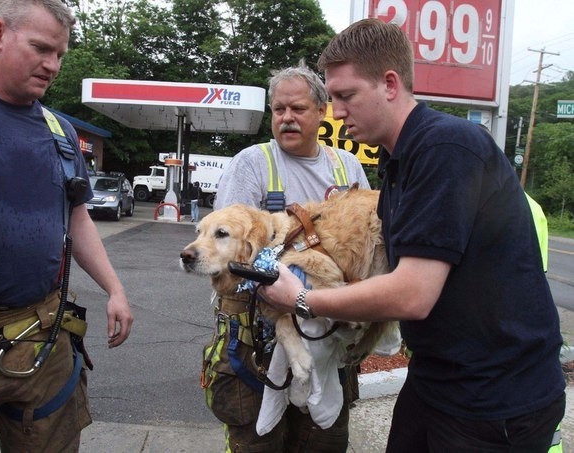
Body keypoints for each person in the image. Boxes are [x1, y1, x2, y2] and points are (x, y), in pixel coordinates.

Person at [260, 19, 565, 452]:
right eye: (332, 99)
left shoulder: (446, 148)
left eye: (347, 96)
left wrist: (301, 299)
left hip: (497, 397)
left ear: (389, 83)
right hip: (437, 379)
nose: (337, 111)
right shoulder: (398, 162)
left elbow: (412, 294)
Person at [0, 1, 134, 452]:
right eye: (41, 48)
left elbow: (75, 215)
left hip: (43, 335)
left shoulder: (58, 130)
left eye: (60, 54)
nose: (53, 66)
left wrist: (114, 289)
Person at [210, 61, 371, 452]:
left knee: (323, 442)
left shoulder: (346, 166)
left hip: (329, 338)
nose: (287, 118)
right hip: (257, 345)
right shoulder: (253, 163)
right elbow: (225, 256)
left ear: (321, 112)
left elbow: (370, 241)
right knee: (257, 441)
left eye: (297, 109)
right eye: (279, 110)